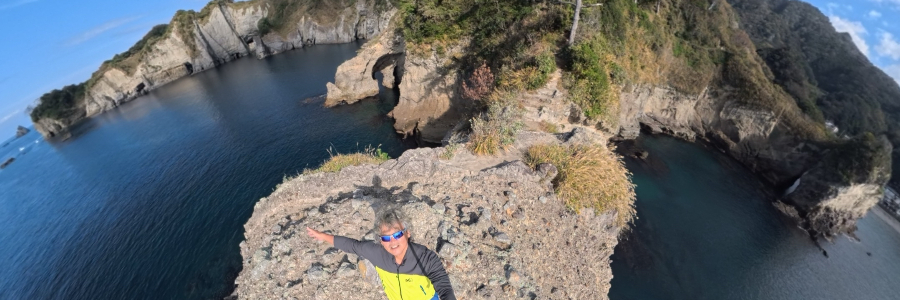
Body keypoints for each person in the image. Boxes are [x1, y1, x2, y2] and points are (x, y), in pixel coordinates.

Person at [306, 207, 456, 300]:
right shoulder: (376, 252)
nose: (393, 242)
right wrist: (322, 236)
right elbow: (352, 245)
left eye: (397, 234)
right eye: (386, 237)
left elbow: (444, 287)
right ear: (380, 240)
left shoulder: (425, 257)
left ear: (407, 233)